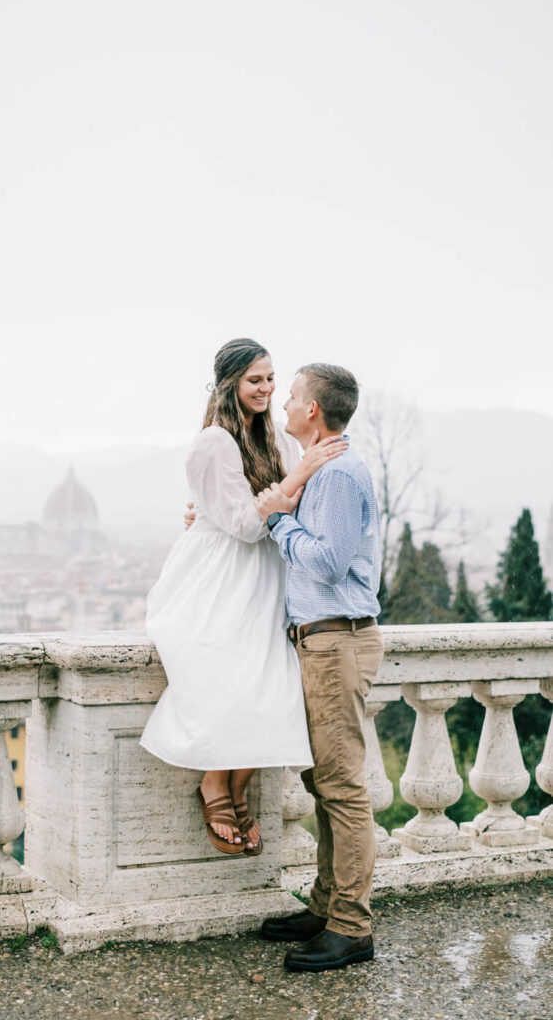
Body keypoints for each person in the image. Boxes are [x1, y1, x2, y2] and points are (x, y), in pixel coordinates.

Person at [140, 340, 346, 856]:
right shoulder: (213, 440)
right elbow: (242, 527)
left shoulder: (273, 434)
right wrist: (298, 473)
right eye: (256, 380)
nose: (267, 389)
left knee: (271, 681)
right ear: (230, 382)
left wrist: (294, 477)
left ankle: (235, 787)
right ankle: (215, 784)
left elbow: (286, 507)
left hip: (266, 578)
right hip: (221, 578)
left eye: (272, 378)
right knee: (233, 678)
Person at [255, 363, 384, 973]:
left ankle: (352, 926)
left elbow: (329, 563)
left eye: (293, 394)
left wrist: (278, 520)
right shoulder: (324, 469)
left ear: (313, 411)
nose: (283, 400)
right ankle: (326, 905)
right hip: (322, 642)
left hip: (337, 641)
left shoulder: (337, 473)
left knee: (342, 789)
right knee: (324, 786)